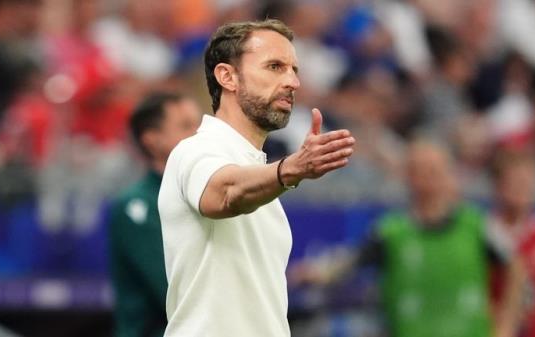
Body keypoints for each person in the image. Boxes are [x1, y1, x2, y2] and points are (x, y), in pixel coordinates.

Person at [158, 19, 355, 337]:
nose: (292, 82)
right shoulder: (195, 150)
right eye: (275, 66)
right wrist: (290, 169)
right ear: (227, 76)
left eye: (294, 70)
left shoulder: (256, 172)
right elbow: (224, 193)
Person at [290, 140, 516, 337]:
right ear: (408, 177)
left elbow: (516, 266)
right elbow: (349, 263)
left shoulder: (477, 225)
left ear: (449, 174)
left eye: (435, 170)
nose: (429, 179)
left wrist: (505, 326)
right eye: (421, 171)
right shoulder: (391, 232)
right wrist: (316, 273)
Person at [109, 92, 202, 337]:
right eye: (186, 126)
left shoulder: (207, 197)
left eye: (199, 124)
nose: (199, 134)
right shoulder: (137, 206)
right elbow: (173, 289)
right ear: (152, 140)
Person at [488, 150, 535, 337]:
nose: (522, 188)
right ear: (498, 186)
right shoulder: (484, 236)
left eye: (527, 182)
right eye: (515, 182)